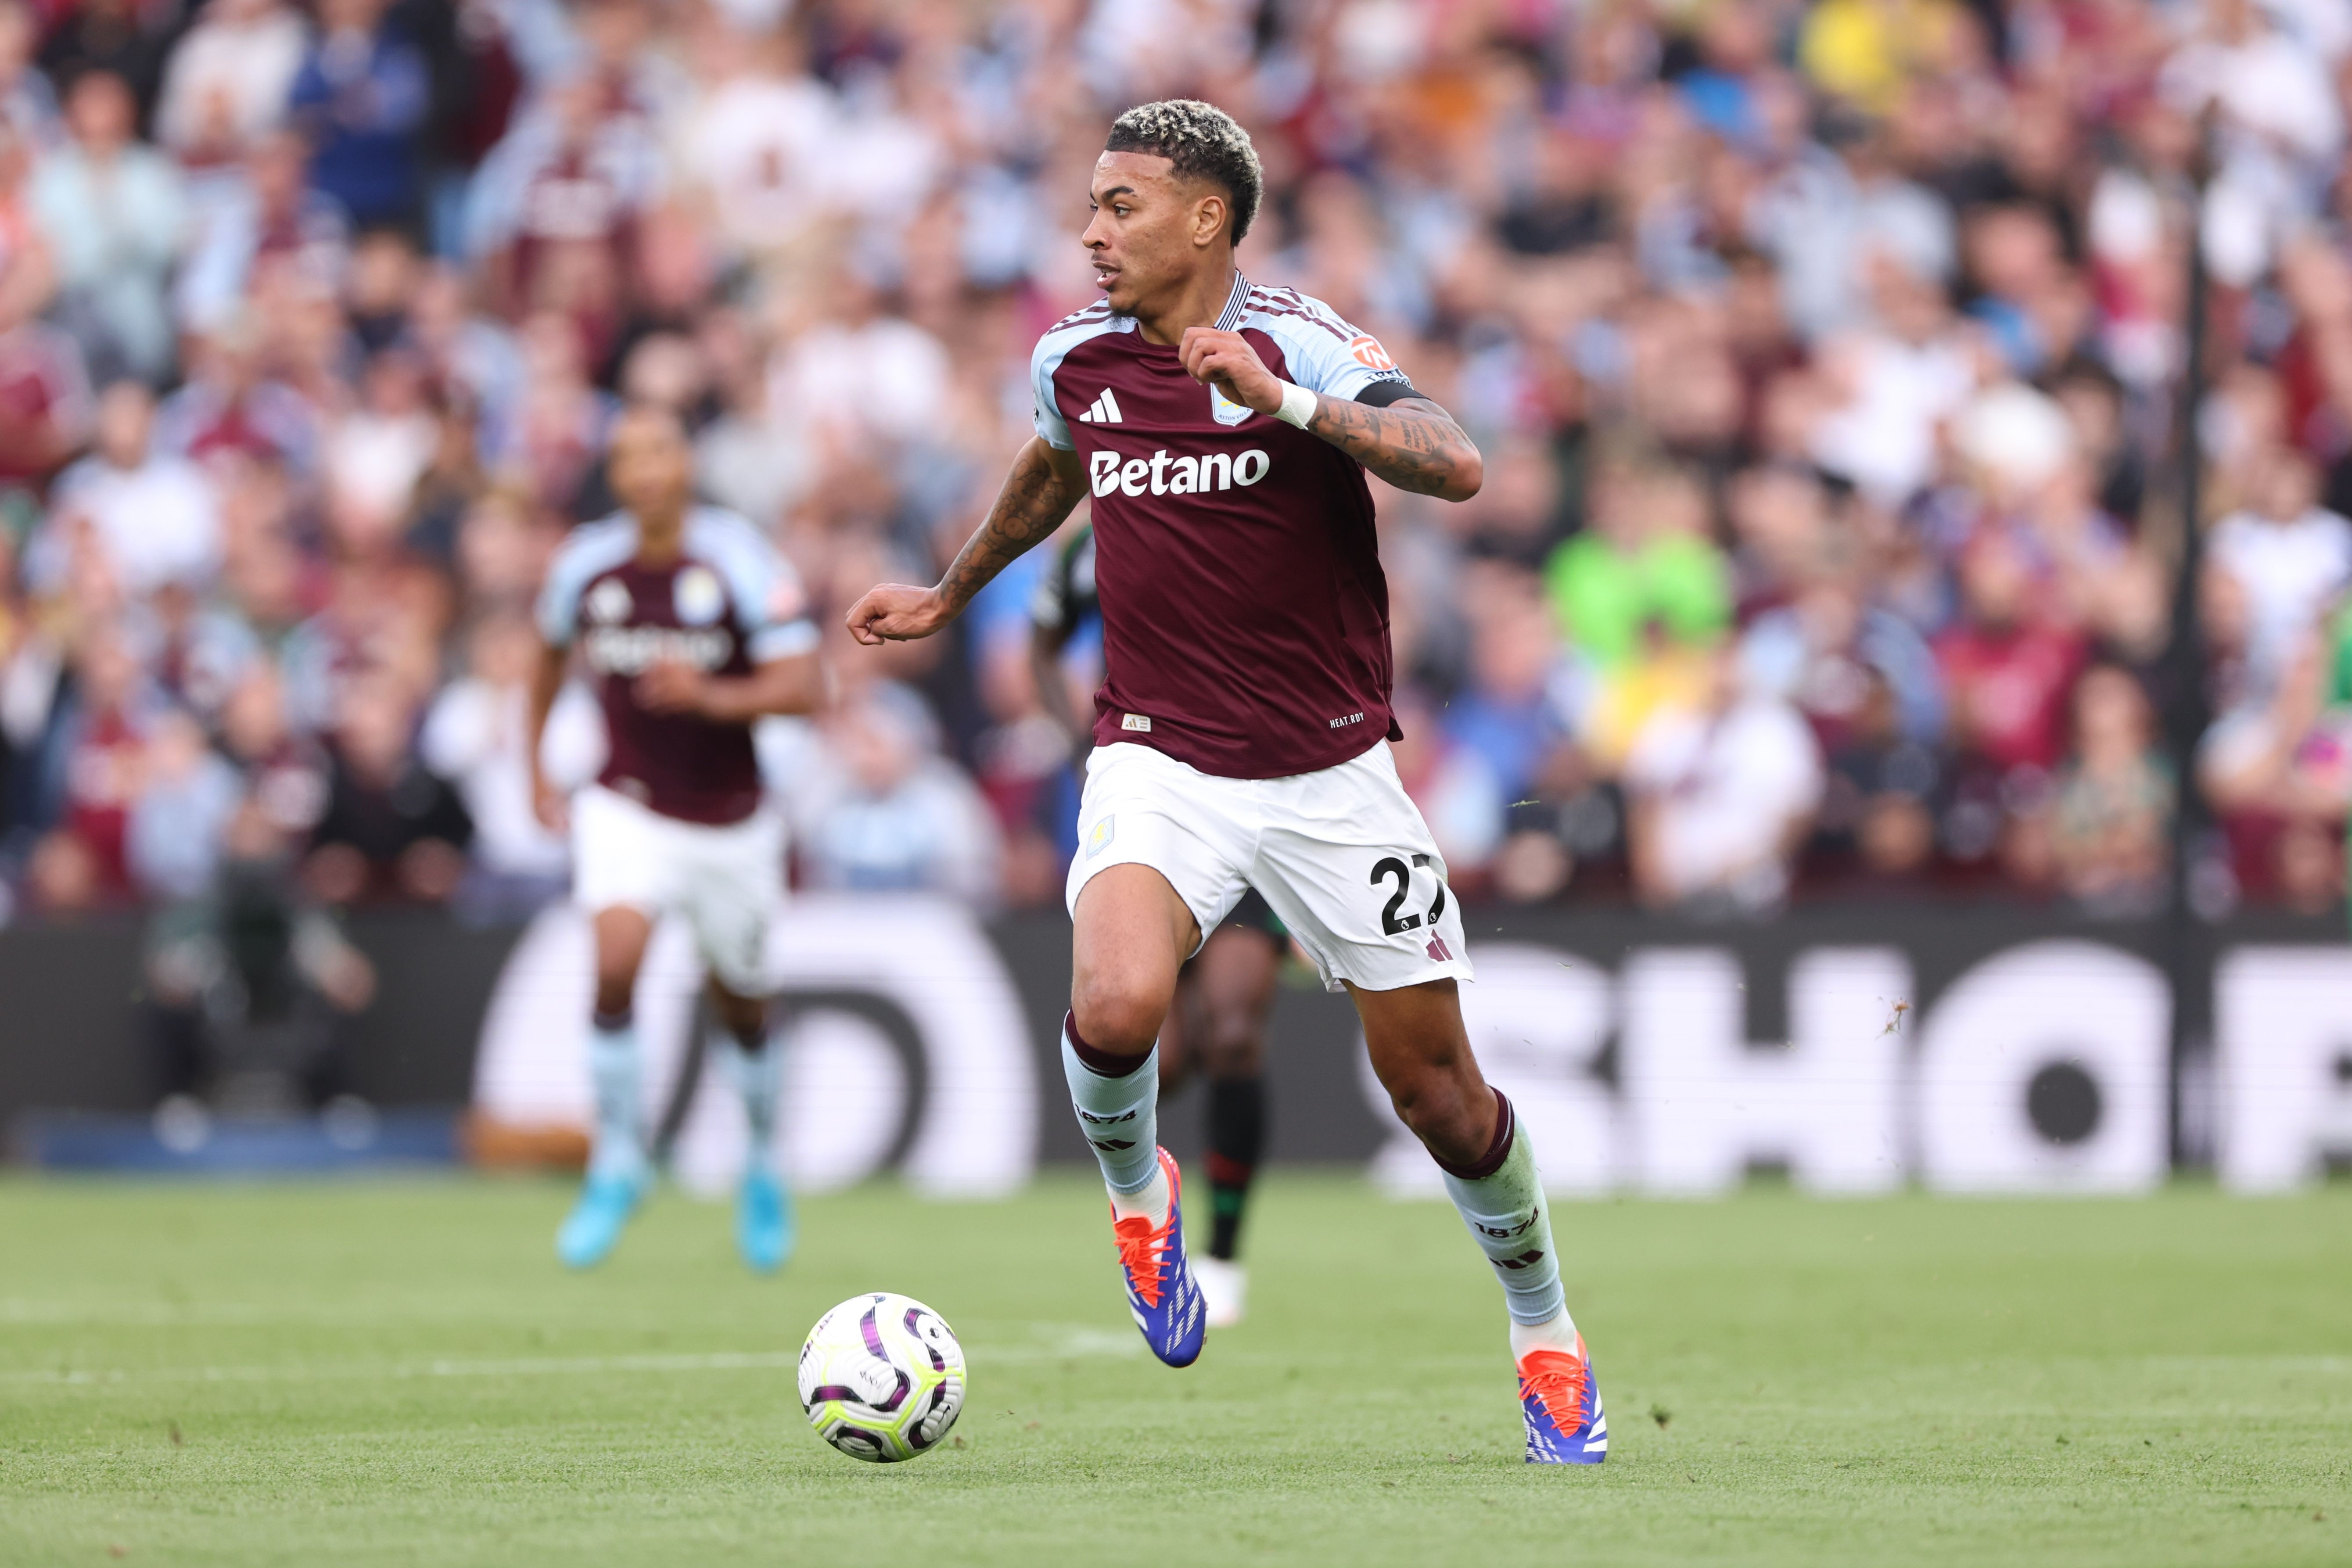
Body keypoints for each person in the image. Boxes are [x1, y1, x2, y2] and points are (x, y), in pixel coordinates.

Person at [848, 100, 1605, 1465]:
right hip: (1159, 752)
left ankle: (1544, 1327)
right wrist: (952, 595)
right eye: (1091, 205)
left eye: (1121, 205)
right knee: (1115, 1002)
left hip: (1332, 771)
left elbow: (1458, 462)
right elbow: (1053, 466)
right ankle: (1143, 1202)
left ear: (1206, 218)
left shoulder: (1299, 338)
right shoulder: (1075, 356)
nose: (1092, 231)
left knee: (1441, 1096)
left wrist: (1288, 404)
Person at [528, 404, 823, 1273]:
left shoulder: (739, 558)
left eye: (660, 451)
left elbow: (808, 685)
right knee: (615, 962)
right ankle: (619, 1158)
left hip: (731, 819)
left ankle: (761, 1160)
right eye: (629, 456)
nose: (646, 469)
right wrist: (533, 768)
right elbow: (544, 660)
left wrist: (711, 695)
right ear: (615, 475)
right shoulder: (584, 563)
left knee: (742, 1003)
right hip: (625, 803)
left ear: (686, 463)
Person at [1031, 520, 1279, 1327]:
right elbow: (1043, 643)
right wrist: (1077, 741)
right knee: (1160, 1057)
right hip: (1148, 794)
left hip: (1256, 788)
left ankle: (1226, 1254)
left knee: (1234, 1028)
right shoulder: (1093, 539)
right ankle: (1151, 1204)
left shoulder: (1254, 497)